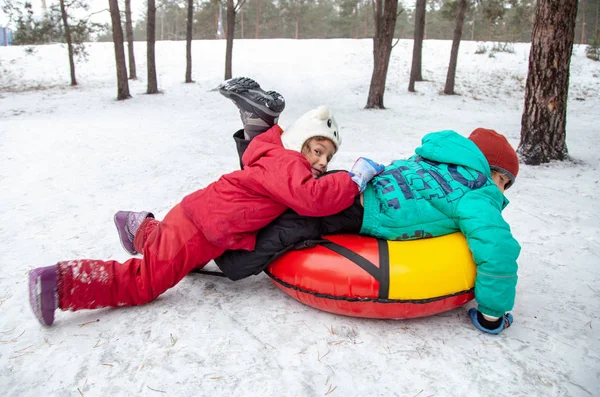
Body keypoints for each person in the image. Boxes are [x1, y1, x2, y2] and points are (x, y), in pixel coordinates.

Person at [27, 84, 386, 326]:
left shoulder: (272, 154)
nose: (323, 163)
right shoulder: (289, 164)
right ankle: (59, 283)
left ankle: (139, 228)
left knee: (174, 249)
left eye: (329, 157)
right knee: (144, 282)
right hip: (202, 230)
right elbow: (313, 199)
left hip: (197, 217)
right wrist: (353, 179)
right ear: (301, 142)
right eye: (318, 150)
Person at [211, 77, 521, 335]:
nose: (502, 193)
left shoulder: (434, 159)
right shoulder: (479, 192)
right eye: (503, 182)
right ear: (489, 171)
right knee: (291, 226)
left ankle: (257, 137)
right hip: (363, 210)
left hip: (351, 183)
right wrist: (493, 313)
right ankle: (227, 262)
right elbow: (496, 247)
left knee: (280, 191)